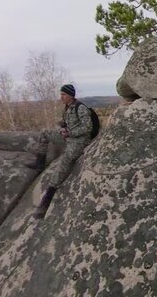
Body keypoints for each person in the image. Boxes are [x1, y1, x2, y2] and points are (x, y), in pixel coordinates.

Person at [31, 84, 93, 219]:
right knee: (45, 133)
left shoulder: (80, 108)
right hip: (68, 137)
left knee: (64, 162)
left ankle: (46, 201)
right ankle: (39, 163)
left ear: (71, 95)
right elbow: (66, 123)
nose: (61, 97)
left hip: (79, 141)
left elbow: (87, 128)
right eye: (61, 94)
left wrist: (70, 132)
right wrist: (63, 127)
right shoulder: (67, 108)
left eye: (63, 94)